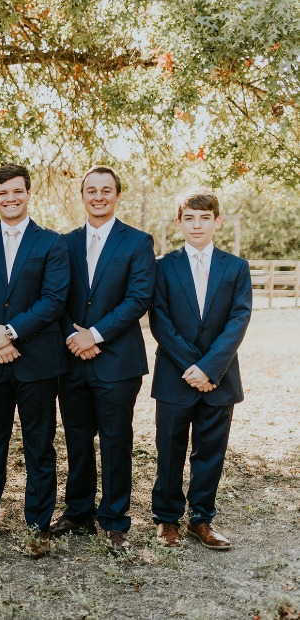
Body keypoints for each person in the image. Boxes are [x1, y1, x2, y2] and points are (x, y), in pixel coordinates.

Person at [0, 164, 69, 557]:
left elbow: (54, 300)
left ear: (28, 195)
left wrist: (10, 333)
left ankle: (38, 526)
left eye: (17, 192)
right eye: (3, 192)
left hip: (37, 360)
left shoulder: (52, 243)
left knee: (39, 445)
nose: (10, 198)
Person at [54, 165, 156, 552]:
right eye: (91, 190)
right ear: (82, 196)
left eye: (106, 190)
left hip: (117, 361)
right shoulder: (63, 243)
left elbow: (138, 299)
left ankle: (115, 520)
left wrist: (93, 335)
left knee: (116, 440)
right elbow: (54, 298)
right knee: (77, 439)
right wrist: (72, 336)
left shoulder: (137, 242)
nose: (98, 196)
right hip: (72, 358)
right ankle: (78, 511)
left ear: (117, 195)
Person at [149, 191, 251, 550]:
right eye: (189, 218)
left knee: (210, 451)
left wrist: (208, 368)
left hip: (219, 378)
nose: (196, 225)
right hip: (175, 375)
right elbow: (159, 319)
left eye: (204, 218)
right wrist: (191, 366)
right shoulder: (162, 266)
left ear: (217, 222)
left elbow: (239, 319)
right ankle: (166, 519)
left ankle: (202, 519)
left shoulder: (236, 267)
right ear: (179, 223)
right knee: (170, 449)